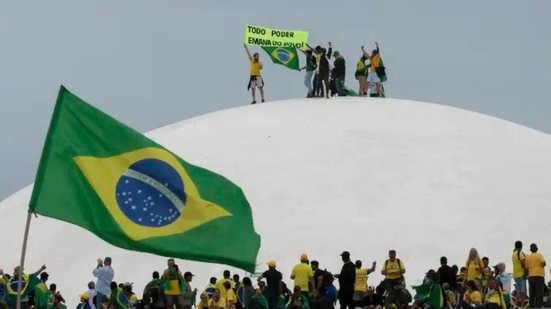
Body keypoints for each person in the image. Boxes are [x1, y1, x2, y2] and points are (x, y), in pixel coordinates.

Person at [525, 243, 546, 308]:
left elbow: (526, 267)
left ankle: (531, 306)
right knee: (539, 294)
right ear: (536, 249)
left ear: (531, 250)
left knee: (532, 293)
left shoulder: (528, 257)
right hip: (539, 276)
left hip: (531, 277)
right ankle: (538, 307)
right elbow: (543, 263)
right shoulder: (539, 255)